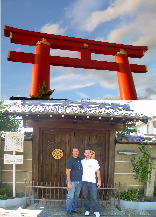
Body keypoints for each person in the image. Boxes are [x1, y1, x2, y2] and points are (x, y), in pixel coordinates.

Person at [81, 148, 101, 217]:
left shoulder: (94, 161)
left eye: (88, 153)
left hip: (92, 182)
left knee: (94, 197)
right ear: (84, 154)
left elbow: (98, 171)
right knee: (86, 197)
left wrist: (99, 181)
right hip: (84, 182)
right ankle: (87, 210)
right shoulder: (82, 161)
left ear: (90, 153)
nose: (87, 154)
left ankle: (96, 211)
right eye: (86, 153)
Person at [66, 147, 82, 217]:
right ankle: (68, 210)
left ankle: (74, 209)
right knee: (70, 196)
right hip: (72, 182)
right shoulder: (70, 160)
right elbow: (67, 172)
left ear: (78, 152)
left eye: (77, 151)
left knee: (76, 196)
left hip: (79, 181)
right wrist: (69, 183)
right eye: (74, 151)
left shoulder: (80, 160)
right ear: (72, 152)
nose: (76, 152)